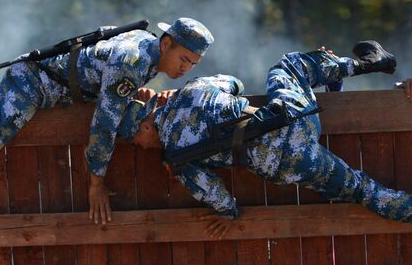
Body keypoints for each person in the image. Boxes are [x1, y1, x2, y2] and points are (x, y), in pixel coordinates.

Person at [0, 17, 214, 225]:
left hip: (56, 88)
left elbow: (114, 95)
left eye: (193, 65)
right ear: (166, 43)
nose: (185, 69)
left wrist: (155, 99)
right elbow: (104, 125)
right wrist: (96, 184)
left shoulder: (147, 55)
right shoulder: (134, 60)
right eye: (183, 59)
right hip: (34, 82)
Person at [118, 40, 411, 238]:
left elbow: (219, 198)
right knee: (289, 67)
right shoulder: (192, 90)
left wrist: (228, 216)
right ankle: (357, 66)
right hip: (293, 119)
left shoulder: (178, 161)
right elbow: (235, 84)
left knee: (360, 189)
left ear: (145, 127)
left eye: (136, 141)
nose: (140, 147)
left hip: (287, 163)